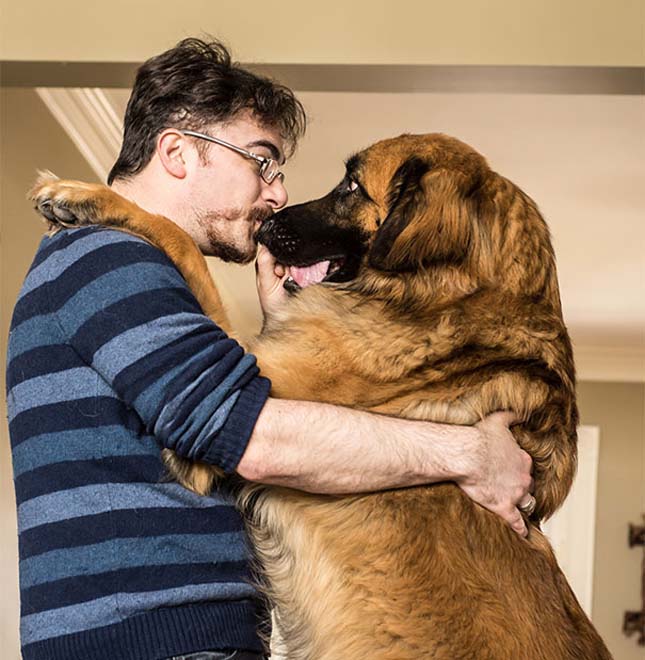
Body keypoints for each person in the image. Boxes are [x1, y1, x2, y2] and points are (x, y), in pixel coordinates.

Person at [6, 38, 533, 660]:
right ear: (177, 152)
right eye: (262, 161)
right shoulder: (109, 256)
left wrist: (282, 328)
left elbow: (212, 429)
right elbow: (250, 438)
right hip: (154, 642)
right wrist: (470, 453)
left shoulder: (131, 266)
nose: (278, 193)